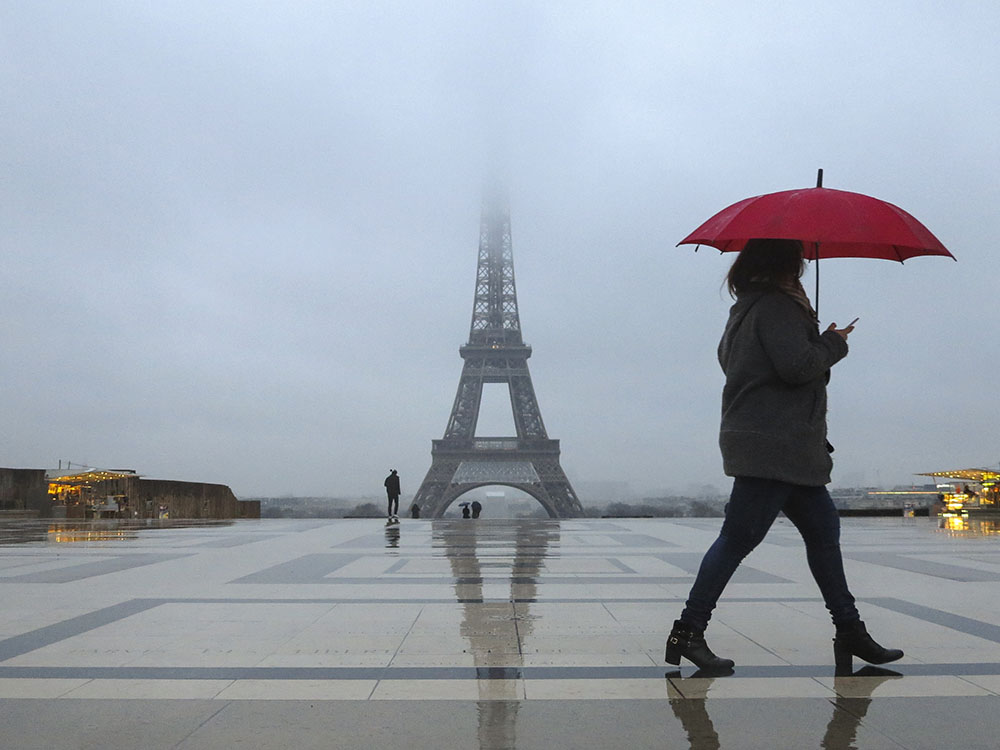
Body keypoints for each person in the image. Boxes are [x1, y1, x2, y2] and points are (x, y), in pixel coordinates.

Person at [665, 238, 903, 673]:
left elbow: (742, 365)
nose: (802, 268)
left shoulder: (746, 308)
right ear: (785, 265)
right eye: (797, 262)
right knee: (739, 539)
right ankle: (688, 631)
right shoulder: (778, 307)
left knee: (824, 533)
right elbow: (796, 368)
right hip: (774, 446)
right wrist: (832, 343)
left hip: (783, 447)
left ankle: (850, 630)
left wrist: (815, 339)